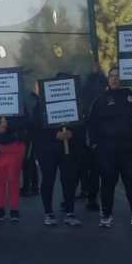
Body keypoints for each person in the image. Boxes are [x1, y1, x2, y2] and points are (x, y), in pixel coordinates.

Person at [87, 67, 132, 229]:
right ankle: (106, 216)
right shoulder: (100, 100)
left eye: (118, 76)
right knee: (108, 183)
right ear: (108, 79)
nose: (114, 79)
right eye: (111, 76)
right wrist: (95, 146)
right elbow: (92, 125)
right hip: (107, 151)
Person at [33, 83, 83, 227]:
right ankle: (48, 212)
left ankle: (70, 212)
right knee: (48, 179)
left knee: (69, 180)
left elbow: (80, 123)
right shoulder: (40, 106)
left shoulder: (74, 103)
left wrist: (71, 133)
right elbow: (35, 127)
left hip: (68, 149)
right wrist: (55, 134)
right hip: (47, 150)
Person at [0, 101, 31, 223]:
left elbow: (26, 122)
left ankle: (14, 209)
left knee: (13, 180)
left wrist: (8, 125)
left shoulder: (19, 103)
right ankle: (0, 208)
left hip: (15, 146)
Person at [78, 66, 108, 211]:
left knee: (93, 171)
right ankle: (95, 198)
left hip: (92, 137)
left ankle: (91, 198)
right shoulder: (102, 94)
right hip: (99, 137)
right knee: (99, 171)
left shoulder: (87, 92)